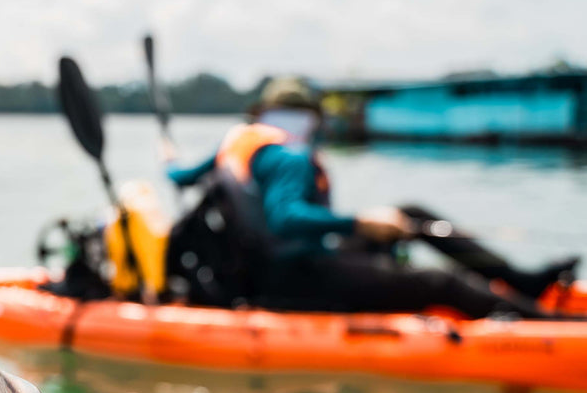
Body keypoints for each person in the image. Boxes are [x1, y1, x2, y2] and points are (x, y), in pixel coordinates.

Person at [162, 76, 576, 318]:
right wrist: (358, 223)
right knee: (440, 282)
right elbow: (283, 217)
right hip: (295, 277)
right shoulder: (291, 157)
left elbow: (181, 177)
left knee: (409, 215)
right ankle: (540, 323)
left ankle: (519, 281)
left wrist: (169, 159)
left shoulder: (235, 144)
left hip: (265, 267)